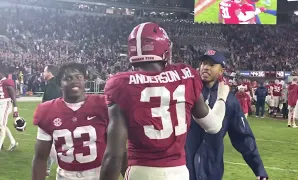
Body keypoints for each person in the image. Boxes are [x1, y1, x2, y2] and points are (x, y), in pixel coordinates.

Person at [100, 22, 229, 180]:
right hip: (178, 173)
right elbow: (214, 126)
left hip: (140, 171)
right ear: (165, 50)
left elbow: (114, 155)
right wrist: (222, 96)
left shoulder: (120, 84)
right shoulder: (186, 75)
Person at [186, 50, 268, 180]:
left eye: (212, 64)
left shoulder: (230, 100)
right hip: (182, 166)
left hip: (212, 168)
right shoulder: (186, 92)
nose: (206, 67)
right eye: (203, 63)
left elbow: (243, 136)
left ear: (221, 71)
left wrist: (259, 169)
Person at [32, 63, 109, 180]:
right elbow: (40, 157)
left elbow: (118, 151)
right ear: (60, 84)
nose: (74, 81)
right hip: (65, 175)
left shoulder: (102, 105)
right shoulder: (47, 111)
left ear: (85, 80)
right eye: (68, 78)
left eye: (79, 77)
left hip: (98, 173)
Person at [42, 65, 62, 177]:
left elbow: (52, 104)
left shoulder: (52, 85)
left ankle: (63, 165)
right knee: (49, 145)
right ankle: (47, 168)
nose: (43, 74)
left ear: (50, 73)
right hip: (57, 119)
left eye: (44, 71)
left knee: (50, 145)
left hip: (53, 120)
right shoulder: (55, 84)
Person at [0, 68, 19, 152]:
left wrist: (15, 109)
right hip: (1, 105)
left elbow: (13, 94)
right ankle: (12, 142)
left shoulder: (7, 81)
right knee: (2, 124)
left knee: (1, 125)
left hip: (6, 104)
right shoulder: (1, 82)